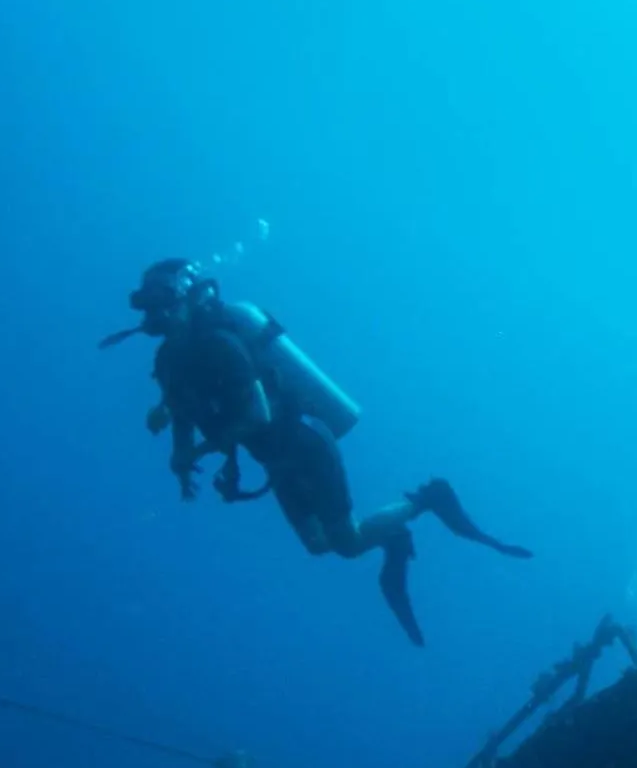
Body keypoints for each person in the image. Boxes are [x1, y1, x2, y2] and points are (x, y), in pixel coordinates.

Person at [112, 259, 532, 646]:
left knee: (346, 542)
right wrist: (180, 457)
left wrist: (203, 449)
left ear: (184, 298)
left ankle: (425, 499)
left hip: (305, 443)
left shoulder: (221, 344)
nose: (154, 314)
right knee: (318, 545)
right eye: (146, 303)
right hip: (275, 460)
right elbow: (182, 415)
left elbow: (257, 414)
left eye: (162, 300)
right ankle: (395, 534)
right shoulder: (168, 361)